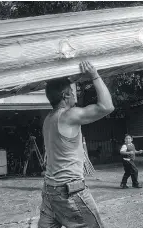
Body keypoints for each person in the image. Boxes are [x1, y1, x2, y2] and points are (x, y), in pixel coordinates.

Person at [38, 60, 114, 228]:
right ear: (65, 96)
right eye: (72, 92)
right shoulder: (68, 116)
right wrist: (94, 75)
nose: (74, 95)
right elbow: (107, 106)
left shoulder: (48, 120)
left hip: (50, 192)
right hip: (69, 192)